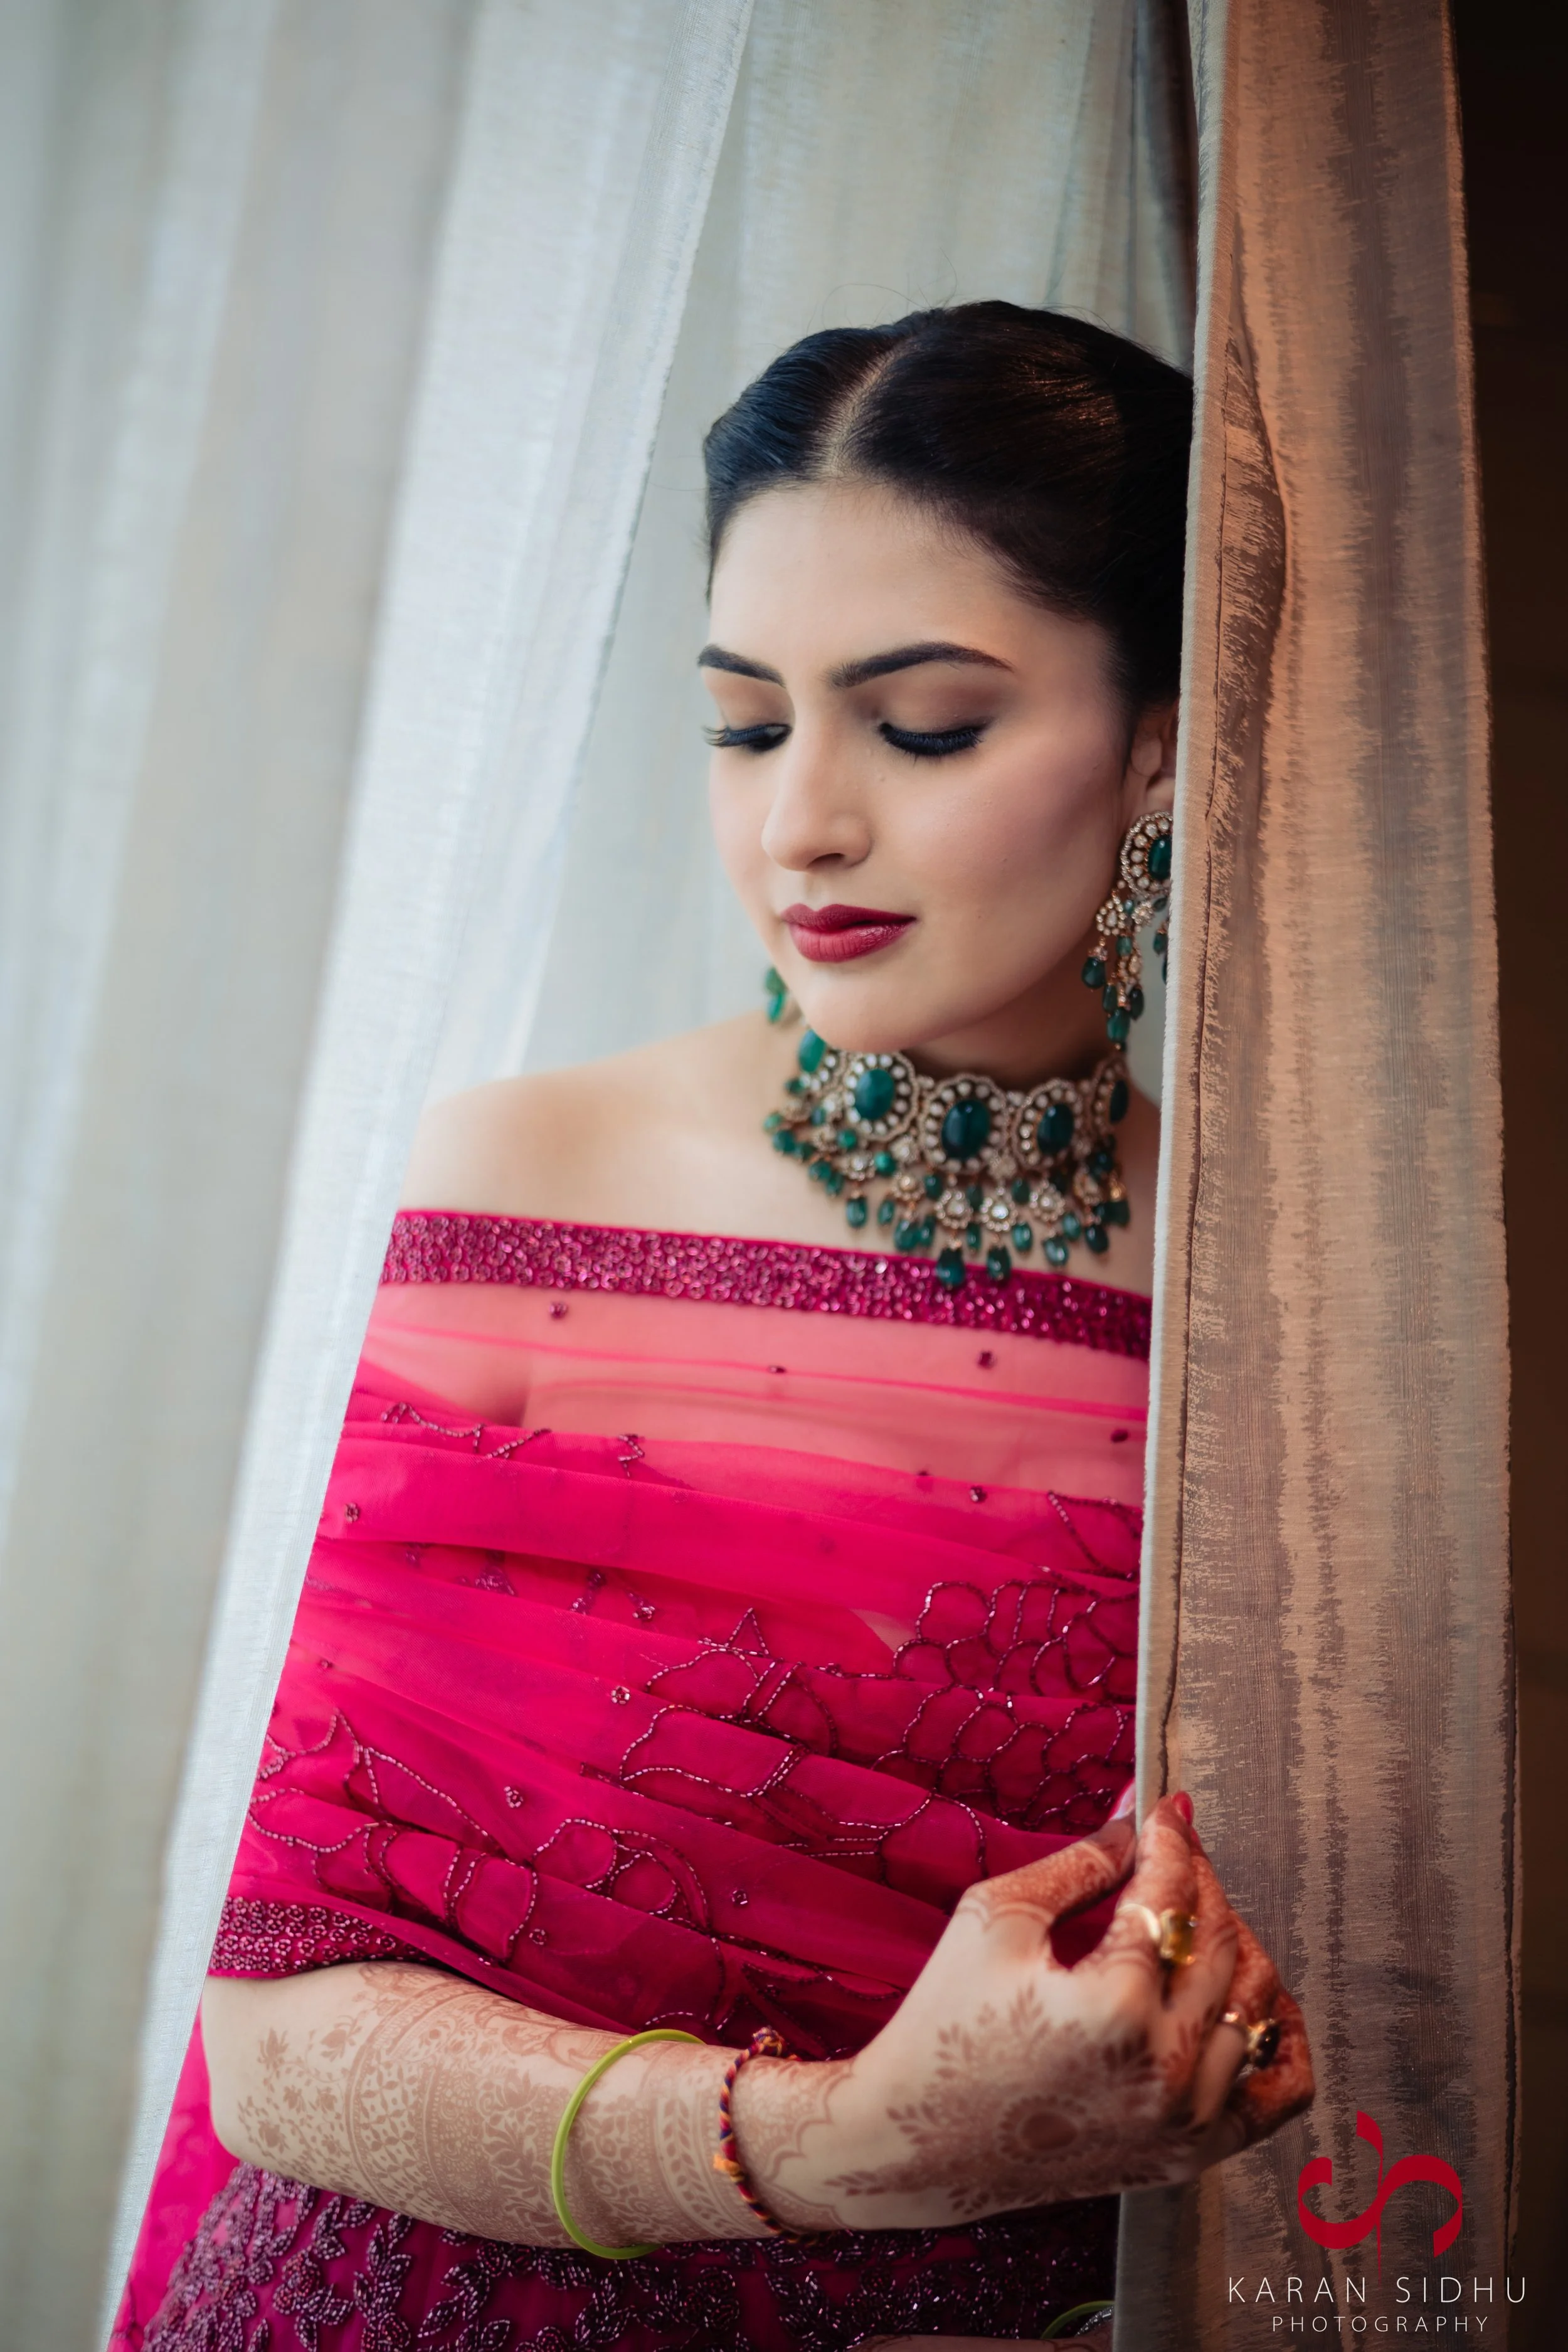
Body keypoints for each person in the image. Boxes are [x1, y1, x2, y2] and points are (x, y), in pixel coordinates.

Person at [117, 303, 1311, 2352]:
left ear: (1160, 744)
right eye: (748, 723)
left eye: (922, 724)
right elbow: (283, 2039)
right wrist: (864, 2141)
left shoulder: (1275, 1318)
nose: (800, 826)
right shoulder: (520, 1178)